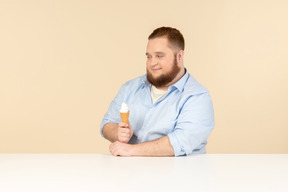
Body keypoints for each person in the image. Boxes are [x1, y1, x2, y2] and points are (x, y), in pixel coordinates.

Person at [100, 26, 214, 157]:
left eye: (159, 56)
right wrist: (117, 133)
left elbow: (181, 141)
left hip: (179, 175)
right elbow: (107, 123)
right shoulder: (130, 88)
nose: (152, 63)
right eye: (149, 56)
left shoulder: (197, 97)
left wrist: (130, 150)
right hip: (131, 174)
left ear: (180, 56)